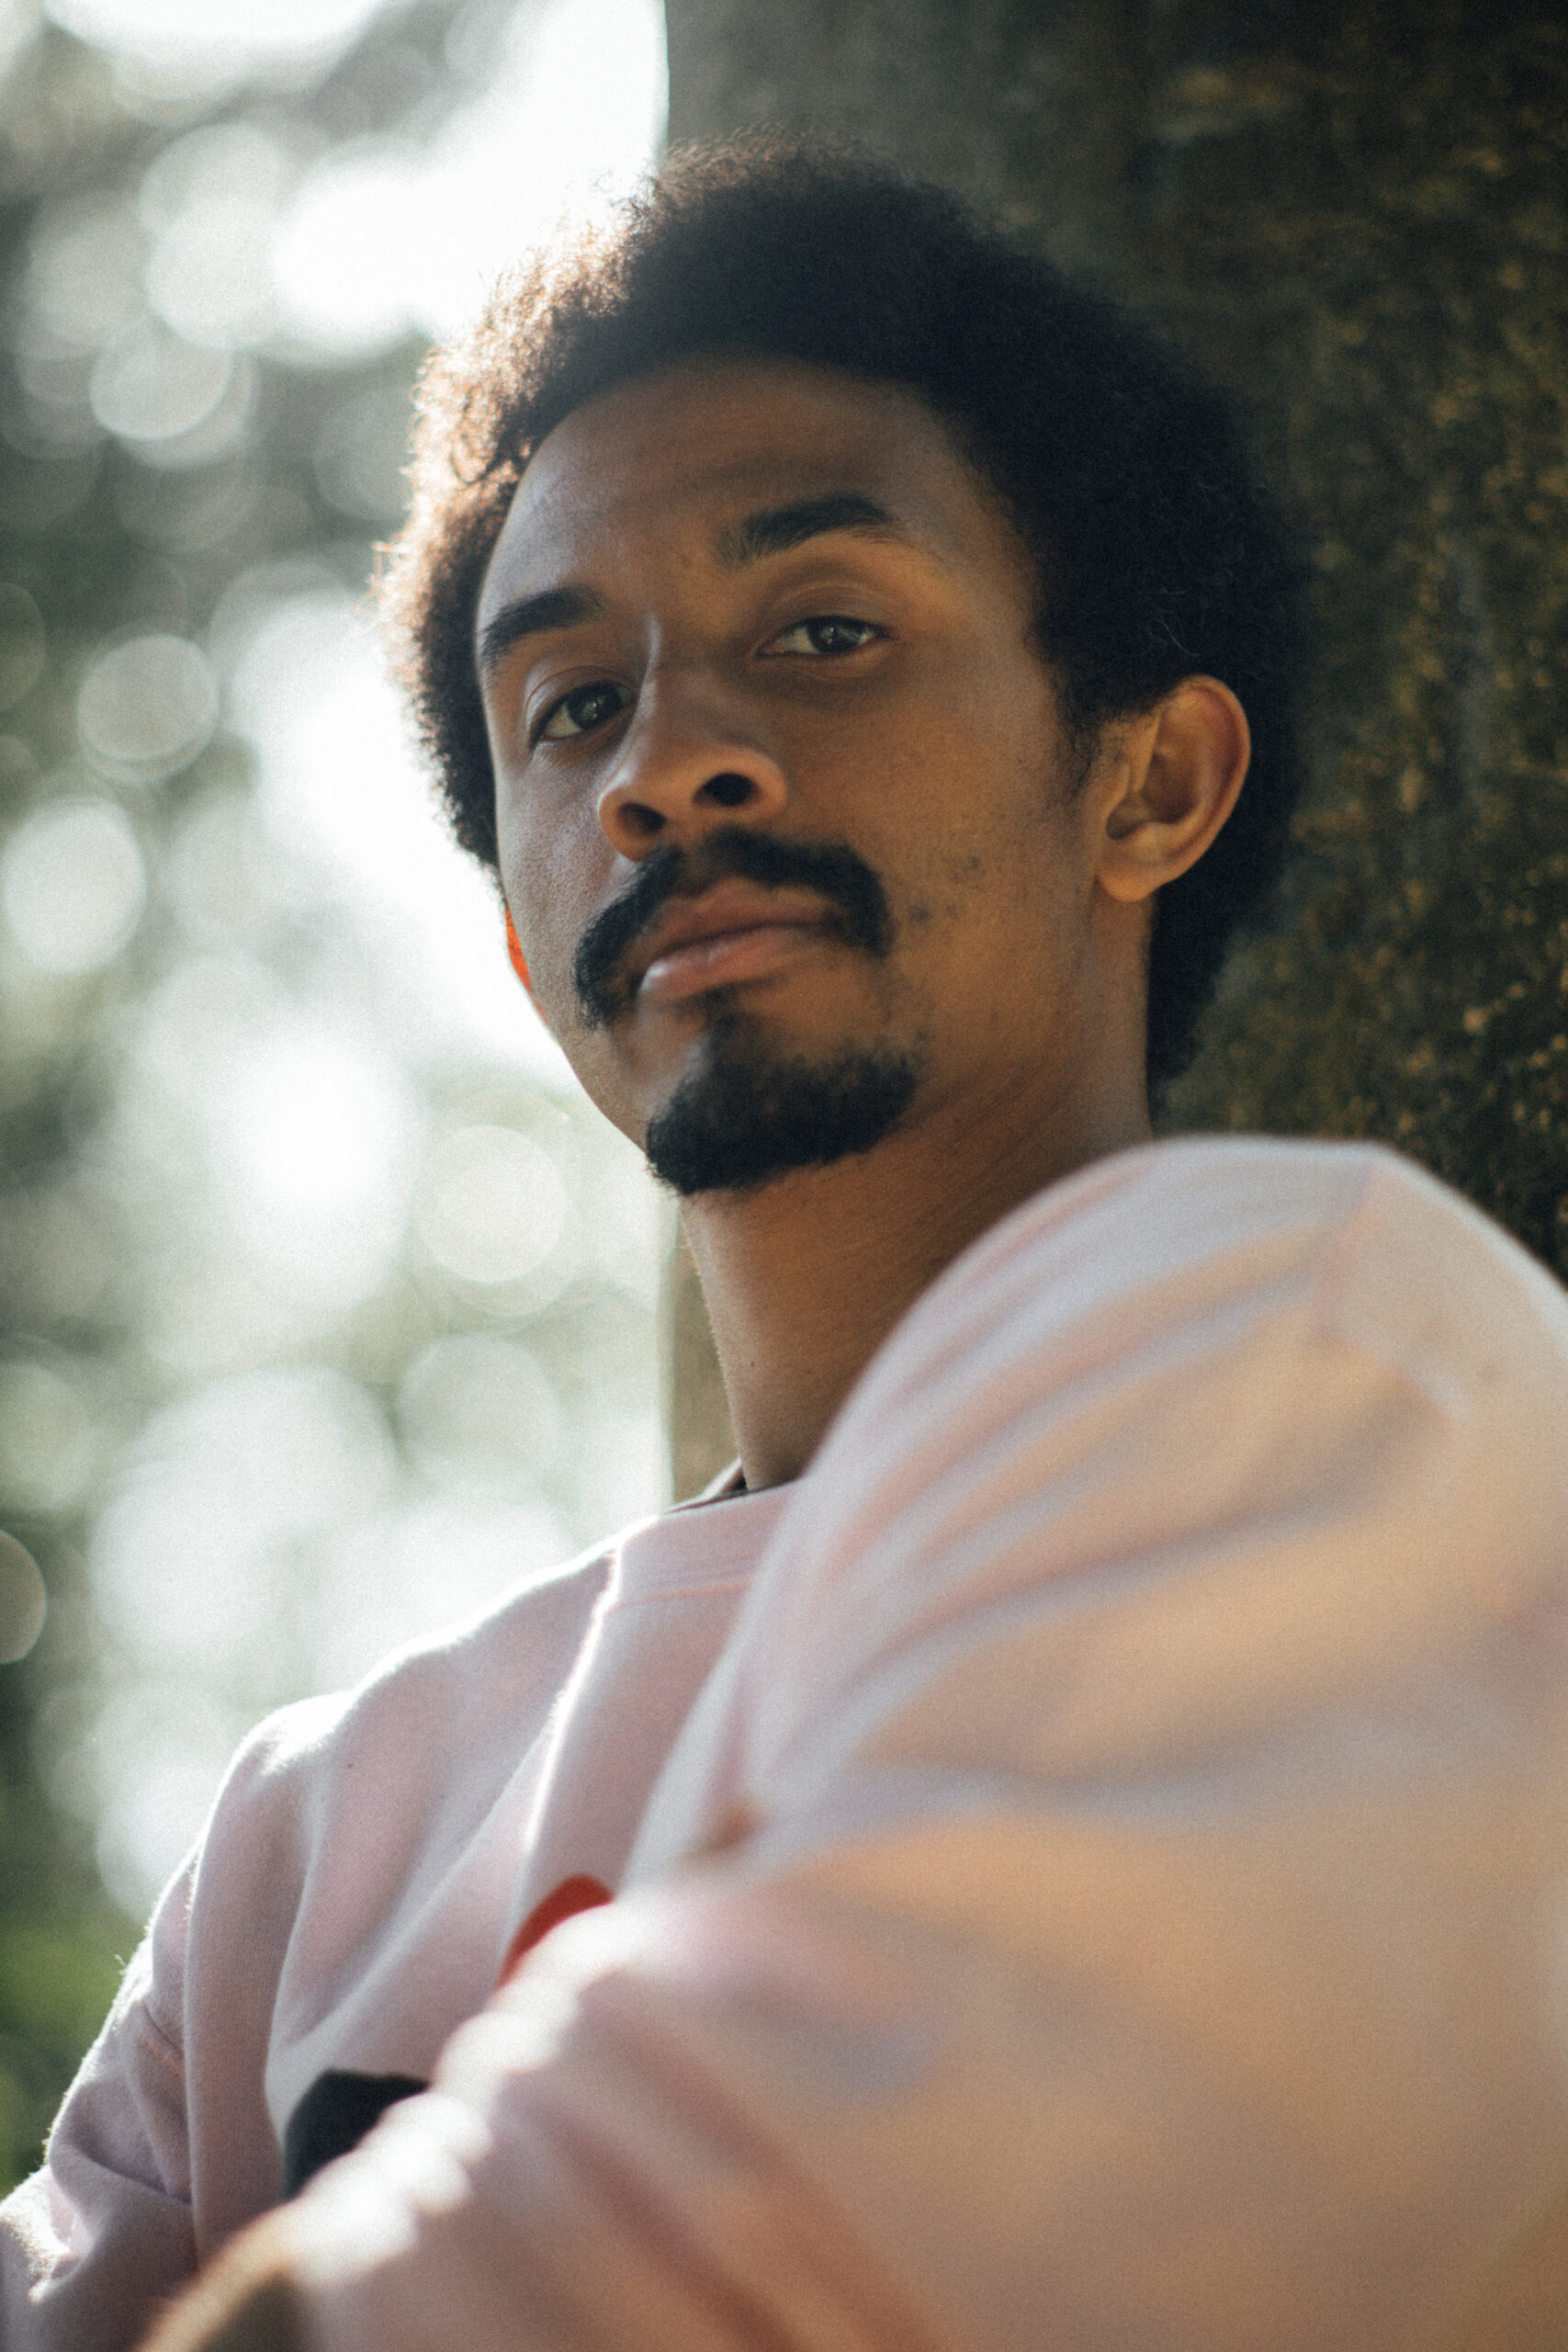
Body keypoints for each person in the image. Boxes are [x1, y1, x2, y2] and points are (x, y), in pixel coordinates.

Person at [6, 141, 1568, 2352]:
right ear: (526, 935)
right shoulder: (313, 1835)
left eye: (823, 630)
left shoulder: (1352, 1377)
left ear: (1144, 780)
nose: (664, 767)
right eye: (570, 706)